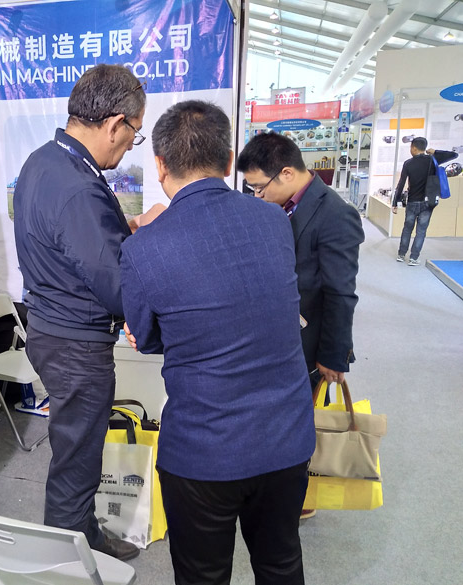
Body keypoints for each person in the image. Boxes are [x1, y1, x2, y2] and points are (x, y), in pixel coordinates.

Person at [120, 100, 315, 585]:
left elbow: (147, 338)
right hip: (286, 437)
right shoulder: (274, 222)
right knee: (281, 563)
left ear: (160, 165)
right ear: (229, 161)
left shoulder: (143, 247)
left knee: (202, 576)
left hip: (203, 450)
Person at [12, 64, 151, 561]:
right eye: (133, 134)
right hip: (76, 343)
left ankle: (81, 534)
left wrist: (126, 226)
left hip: (52, 328)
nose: (129, 146)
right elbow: (115, 286)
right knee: (78, 457)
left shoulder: (44, 161)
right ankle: (69, 558)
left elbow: (70, 243)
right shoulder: (78, 187)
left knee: (77, 447)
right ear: (114, 124)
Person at [237, 132, 364, 391]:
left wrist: (333, 355)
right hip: (273, 337)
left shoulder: (336, 215)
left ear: (286, 173)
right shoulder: (281, 204)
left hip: (306, 345)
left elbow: (340, 292)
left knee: (307, 407)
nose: (257, 196)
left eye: (260, 187)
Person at [390, 137, 458, 265]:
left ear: (414, 148)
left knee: (407, 229)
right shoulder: (432, 160)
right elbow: (454, 155)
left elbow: (401, 184)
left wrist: (395, 202)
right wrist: (435, 152)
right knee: (421, 231)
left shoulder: (408, 163)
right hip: (428, 202)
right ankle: (413, 258)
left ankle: (401, 254)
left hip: (412, 202)